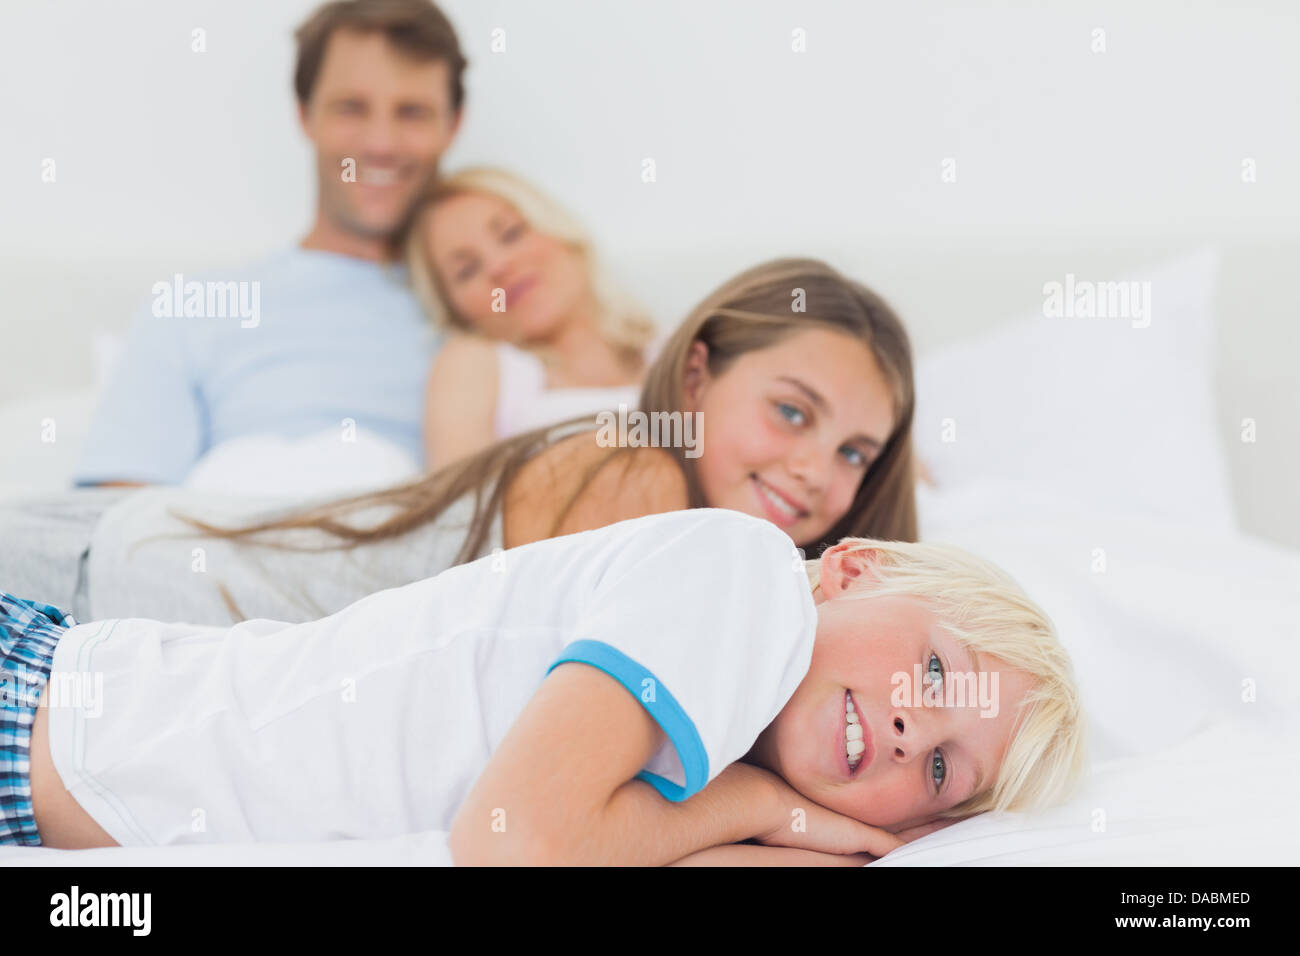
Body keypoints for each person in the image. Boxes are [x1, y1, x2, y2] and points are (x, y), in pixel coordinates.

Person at [14, 508, 1086, 865]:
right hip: (35, 718)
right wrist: (776, 807)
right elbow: (512, 837)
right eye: (936, 669)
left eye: (944, 766)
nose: (910, 727)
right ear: (853, 567)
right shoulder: (745, 582)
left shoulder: (681, 763)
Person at [14, 258, 919, 626]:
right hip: (124, 571)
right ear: (694, 379)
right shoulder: (634, 474)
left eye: (854, 453)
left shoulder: (724, 561)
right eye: (793, 413)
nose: (814, 471)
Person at [74, 0, 466, 487]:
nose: (381, 143)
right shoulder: (191, 310)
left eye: (412, 112)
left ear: (454, 124)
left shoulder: (494, 305)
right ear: (305, 116)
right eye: (351, 108)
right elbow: (118, 524)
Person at [409, 167, 656, 467]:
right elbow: (459, 506)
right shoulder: (477, 363)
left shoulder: (679, 347)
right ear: (455, 311)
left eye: (511, 233)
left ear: (563, 233)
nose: (498, 265)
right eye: (467, 270)